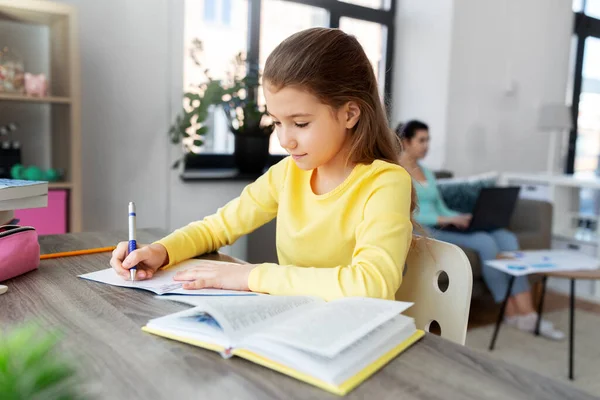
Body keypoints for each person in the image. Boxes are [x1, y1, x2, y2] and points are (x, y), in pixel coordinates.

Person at [109, 28, 416, 301]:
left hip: (360, 342)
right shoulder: (288, 174)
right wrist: (159, 252)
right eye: (277, 123)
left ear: (350, 114)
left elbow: (371, 284)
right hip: (297, 324)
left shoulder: (386, 183)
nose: (285, 140)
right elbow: (217, 228)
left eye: (300, 123)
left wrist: (248, 277)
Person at [396, 120, 565, 340]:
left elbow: (440, 205)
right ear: (405, 142)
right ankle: (511, 310)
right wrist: (445, 218)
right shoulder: (397, 171)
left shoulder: (427, 172)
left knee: (506, 237)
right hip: (425, 228)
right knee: (485, 242)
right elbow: (408, 211)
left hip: (444, 222)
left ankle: (527, 311)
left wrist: (460, 216)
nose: (426, 145)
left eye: (428, 140)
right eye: (421, 140)